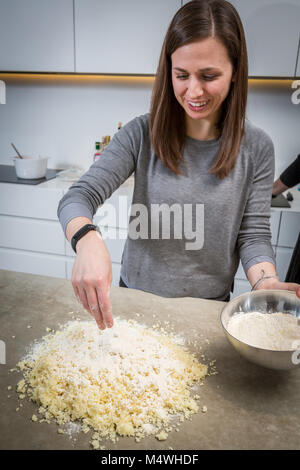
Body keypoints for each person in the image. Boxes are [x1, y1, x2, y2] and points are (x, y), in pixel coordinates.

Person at [57, 0, 300, 330]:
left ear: (234, 72)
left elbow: (252, 234)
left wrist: (266, 281)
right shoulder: (140, 134)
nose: (194, 91)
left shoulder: (256, 147)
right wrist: (87, 239)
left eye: (209, 75)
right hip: (135, 303)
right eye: (181, 75)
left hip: (207, 312)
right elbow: (77, 198)